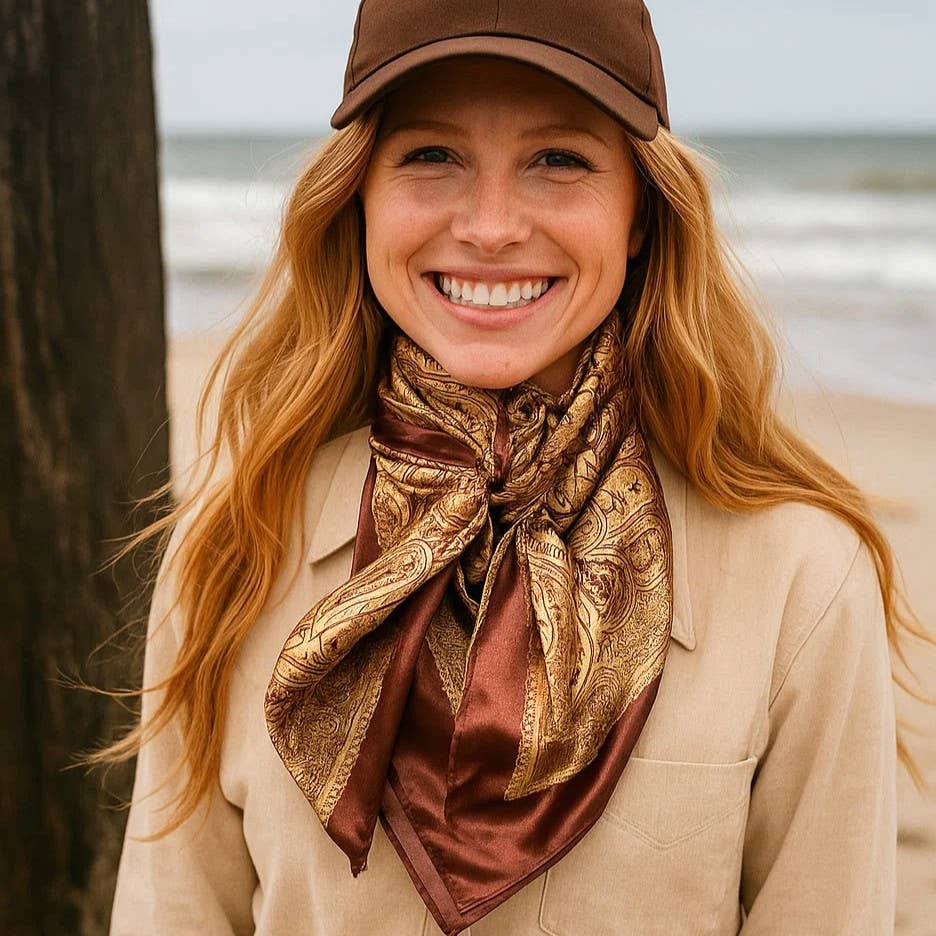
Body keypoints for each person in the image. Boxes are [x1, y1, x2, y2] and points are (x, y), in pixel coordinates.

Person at [94, 2, 933, 934]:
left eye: (559, 160)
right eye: (432, 156)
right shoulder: (237, 546)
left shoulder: (801, 582)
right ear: (359, 193)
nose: (491, 228)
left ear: (641, 214)